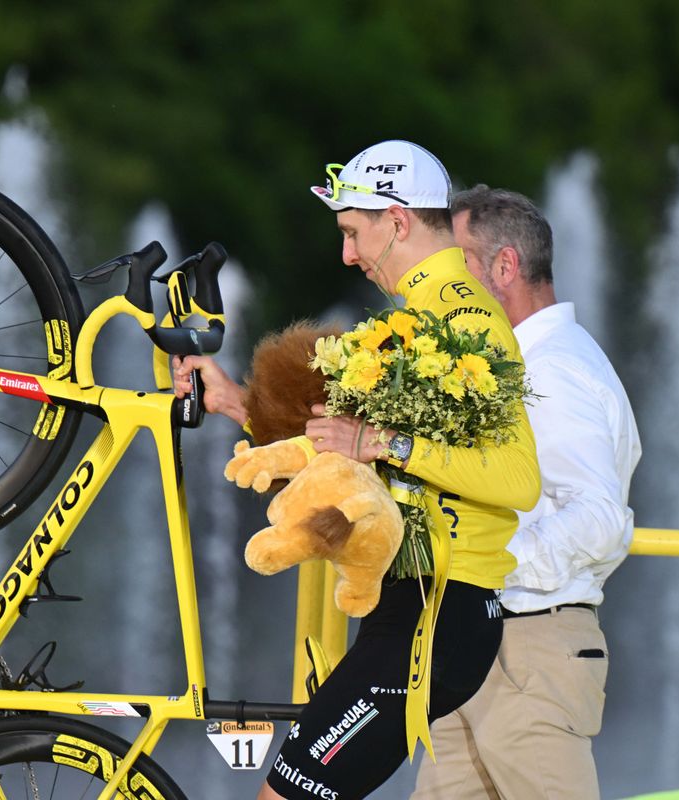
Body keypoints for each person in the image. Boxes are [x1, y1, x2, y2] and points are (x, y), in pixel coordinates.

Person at [173, 141, 541, 800]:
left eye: (352, 231)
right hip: (414, 608)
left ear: (397, 221)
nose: (347, 254)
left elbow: (519, 480)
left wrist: (385, 444)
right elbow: (345, 451)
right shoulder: (421, 313)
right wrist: (237, 404)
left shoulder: (464, 315)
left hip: (438, 615)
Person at [410, 186, 642, 799]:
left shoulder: (548, 370)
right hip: (496, 647)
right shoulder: (529, 364)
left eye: (456, 268)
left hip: (527, 649)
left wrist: (485, 570)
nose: (442, 287)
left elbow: (598, 517)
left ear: (504, 267)